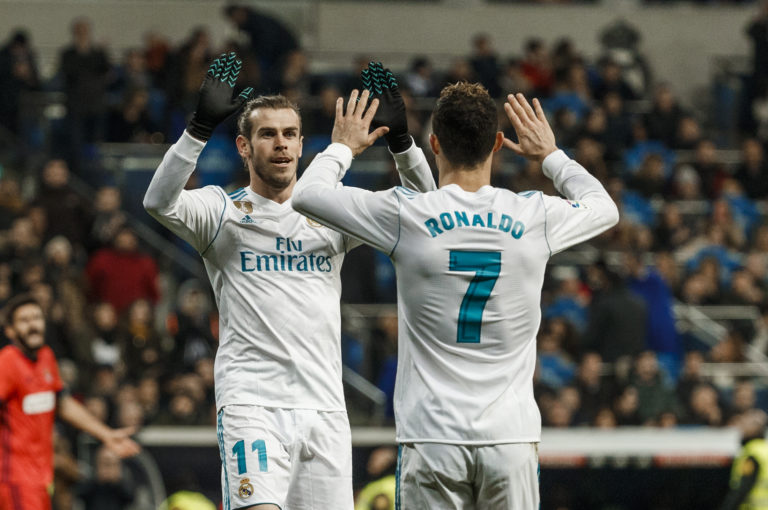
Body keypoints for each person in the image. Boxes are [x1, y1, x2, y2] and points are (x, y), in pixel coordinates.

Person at [292, 85, 619, 508]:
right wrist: (550, 155)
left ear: (434, 144)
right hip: (510, 437)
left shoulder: (407, 214)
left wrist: (343, 146)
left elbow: (307, 195)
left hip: (432, 436)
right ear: (498, 143)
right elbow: (604, 207)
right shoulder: (534, 215)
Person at [143, 53, 434, 509]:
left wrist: (403, 144)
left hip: (325, 409)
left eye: (290, 134)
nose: (280, 143)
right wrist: (197, 130)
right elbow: (158, 202)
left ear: (301, 146)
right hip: (252, 405)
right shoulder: (221, 211)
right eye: (268, 134)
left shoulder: (335, 212)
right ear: (244, 146)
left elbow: (427, 207)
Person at [0, 293, 140, 510]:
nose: (33, 325)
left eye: (36, 318)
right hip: (15, 480)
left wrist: (106, 434)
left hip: (41, 479)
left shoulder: (46, 357)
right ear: (10, 330)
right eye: (24, 320)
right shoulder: (7, 362)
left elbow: (62, 403)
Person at [721, 409, 768, 510]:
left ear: (755, 428)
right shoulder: (764, 450)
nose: (741, 428)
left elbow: (743, 488)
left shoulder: (753, 453)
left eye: (745, 423)